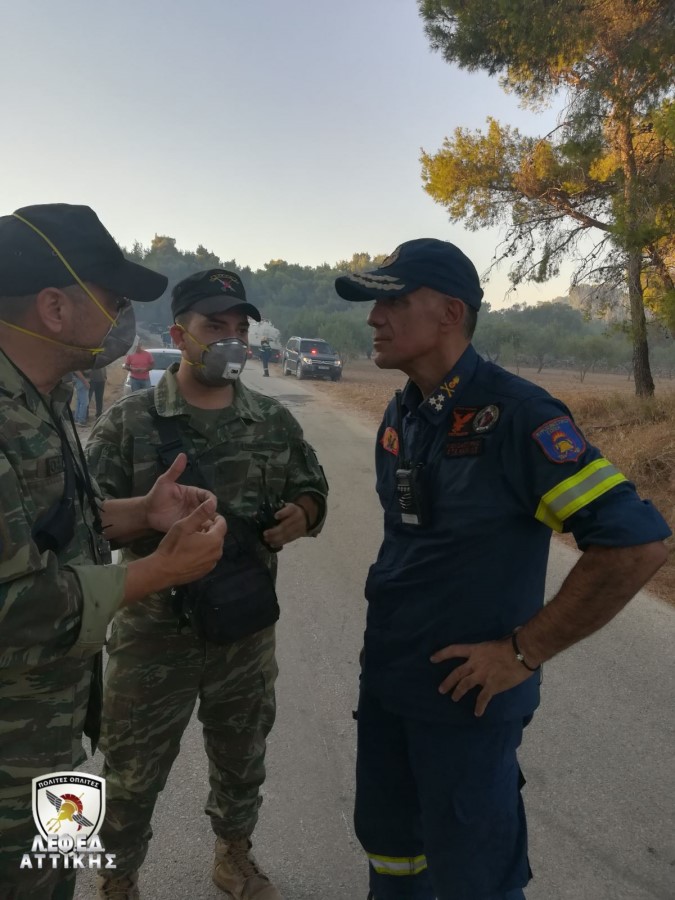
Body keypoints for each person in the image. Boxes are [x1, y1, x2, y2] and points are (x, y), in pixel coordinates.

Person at [334, 238, 671, 900]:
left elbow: (635, 547)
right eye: (374, 305)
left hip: (467, 706)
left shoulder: (518, 415)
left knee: (474, 878)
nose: (374, 317)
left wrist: (523, 652)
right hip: (390, 685)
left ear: (449, 313)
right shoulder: (403, 412)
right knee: (391, 852)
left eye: (393, 302)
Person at [0, 204, 227, 900]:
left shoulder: (40, 397)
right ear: (54, 308)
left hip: (54, 736)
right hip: (10, 762)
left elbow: (40, 526)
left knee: (55, 880)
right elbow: (12, 603)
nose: (124, 315)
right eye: (112, 296)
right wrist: (157, 573)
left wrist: (140, 513)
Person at [85, 267, 329, 900]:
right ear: (180, 335)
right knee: (131, 769)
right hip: (152, 636)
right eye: (215, 326)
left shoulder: (271, 421)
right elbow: (83, 526)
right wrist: (146, 517)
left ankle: (234, 856)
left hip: (243, 633)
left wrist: (303, 513)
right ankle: (118, 876)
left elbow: (313, 486)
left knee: (242, 756)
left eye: (240, 329)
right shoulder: (130, 422)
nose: (231, 340)